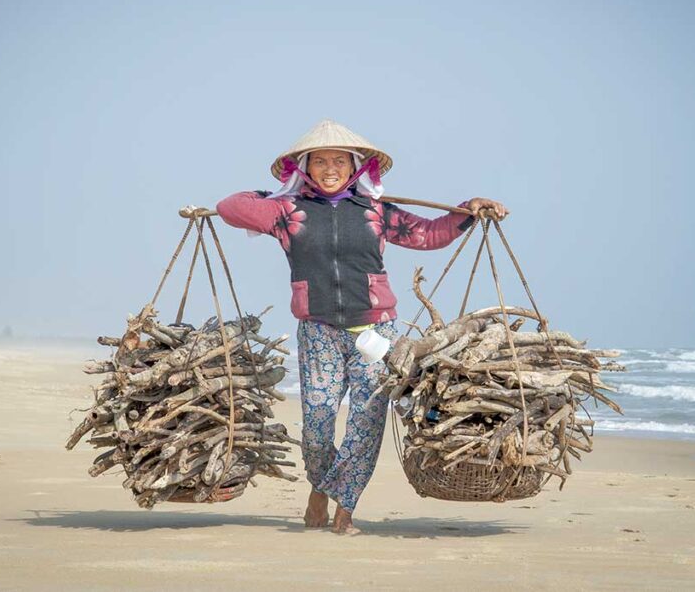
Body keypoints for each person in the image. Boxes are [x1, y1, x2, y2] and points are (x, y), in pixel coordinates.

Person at [216, 119, 506, 534]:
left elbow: (429, 234)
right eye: (319, 162)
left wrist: (467, 211)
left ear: (355, 167)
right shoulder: (287, 212)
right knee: (317, 423)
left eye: (339, 161)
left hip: (376, 332)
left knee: (365, 425)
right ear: (304, 167)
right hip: (318, 332)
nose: (329, 168)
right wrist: (279, 193)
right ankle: (320, 487)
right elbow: (231, 207)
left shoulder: (376, 212)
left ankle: (344, 510)